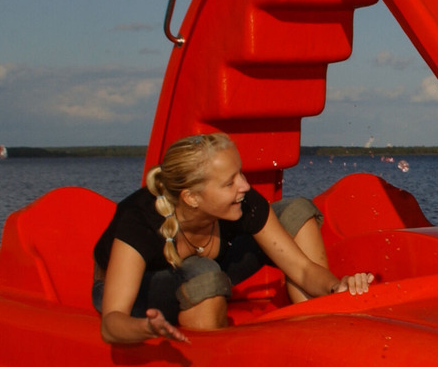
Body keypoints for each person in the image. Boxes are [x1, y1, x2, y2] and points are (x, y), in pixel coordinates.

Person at [94, 132, 373, 344]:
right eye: (230, 182)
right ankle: (211, 365)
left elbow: (301, 268)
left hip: (211, 268)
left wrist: (336, 287)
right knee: (204, 272)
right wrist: (146, 327)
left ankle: (316, 328)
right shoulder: (140, 219)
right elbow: (111, 324)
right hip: (140, 291)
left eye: (240, 173)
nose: (245, 185)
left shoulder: (243, 202)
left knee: (295, 211)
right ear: (191, 198)